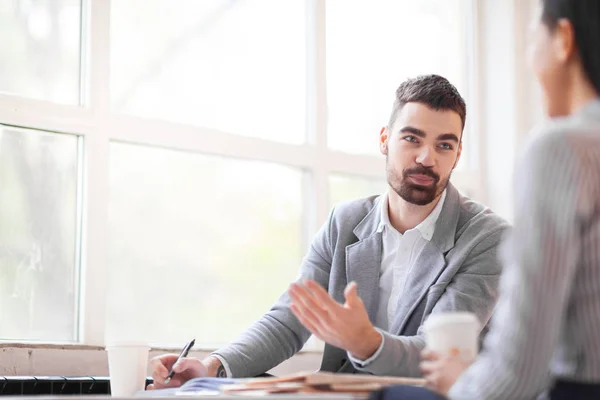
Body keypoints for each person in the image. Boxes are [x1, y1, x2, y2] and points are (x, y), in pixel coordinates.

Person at [147, 75, 509, 389]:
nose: (427, 158)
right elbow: (289, 320)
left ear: (458, 154)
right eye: (412, 139)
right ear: (385, 139)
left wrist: (366, 342)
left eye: (444, 145)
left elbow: (438, 353)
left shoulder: (487, 238)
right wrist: (212, 366)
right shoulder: (345, 222)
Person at [414, 1, 600, 399]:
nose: (529, 61)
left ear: (564, 40)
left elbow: (519, 374)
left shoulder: (560, 148)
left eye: (533, 39)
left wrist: (460, 382)